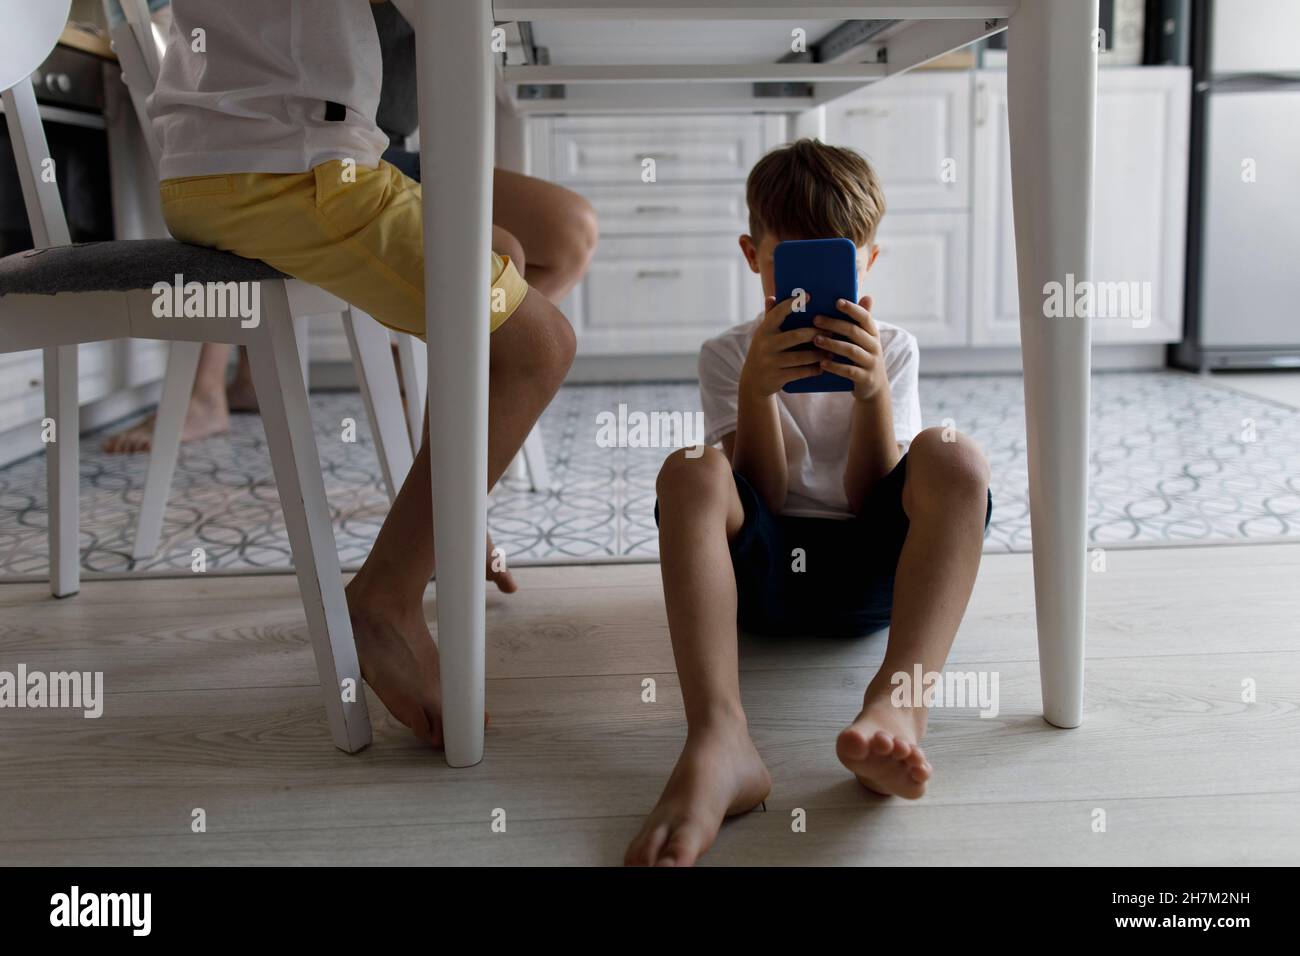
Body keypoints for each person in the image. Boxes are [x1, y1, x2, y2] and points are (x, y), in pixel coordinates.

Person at [145, 0, 588, 746]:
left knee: (504, 260)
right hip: (293, 168)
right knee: (535, 349)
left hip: (242, 160)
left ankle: (440, 510)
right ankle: (384, 598)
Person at [625, 139, 993, 866]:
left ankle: (900, 702)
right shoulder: (727, 354)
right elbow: (758, 493)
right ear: (752, 255)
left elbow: (868, 496)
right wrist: (757, 390)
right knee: (694, 469)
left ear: (869, 264)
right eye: (789, 265)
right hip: (760, 582)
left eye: (837, 267)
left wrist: (873, 391)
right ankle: (718, 737)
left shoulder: (896, 347)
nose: (811, 291)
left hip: (872, 573)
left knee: (954, 454)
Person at [104, 0, 596, 452]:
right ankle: (452, 431)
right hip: (295, 151)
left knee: (556, 238)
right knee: (520, 315)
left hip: (355, 146)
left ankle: (440, 396)